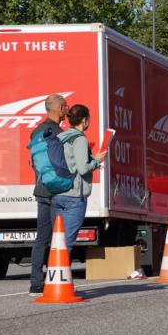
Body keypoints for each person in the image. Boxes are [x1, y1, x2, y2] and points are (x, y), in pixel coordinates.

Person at [28, 93, 69, 296]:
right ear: (60, 108)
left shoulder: (36, 132)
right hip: (57, 191)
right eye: (66, 106)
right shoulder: (59, 133)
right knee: (59, 238)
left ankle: (36, 283)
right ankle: (57, 279)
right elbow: (63, 163)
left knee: (42, 237)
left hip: (42, 189)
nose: (67, 110)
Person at [53, 104, 107, 252]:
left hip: (58, 193)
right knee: (67, 242)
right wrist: (97, 161)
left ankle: (54, 272)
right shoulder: (80, 139)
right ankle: (61, 274)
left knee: (58, 241)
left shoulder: (62, 136)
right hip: (74, 196)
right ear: (84, 120)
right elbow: (83, 169)